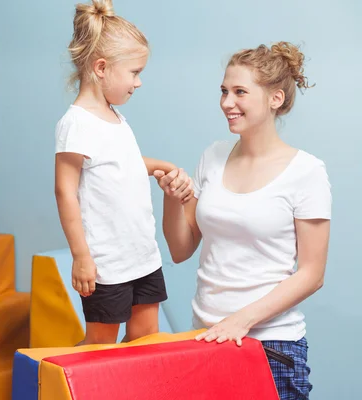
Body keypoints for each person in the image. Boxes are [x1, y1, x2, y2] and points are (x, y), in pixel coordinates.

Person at [154, 42, 331, 399]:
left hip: (270, 347)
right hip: (205, 337)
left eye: (239, 92)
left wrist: (242, 320)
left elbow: (312, 275)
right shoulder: (214, 156)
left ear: (275, 99)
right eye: (223, 91)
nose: (226, 103)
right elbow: (180, 249)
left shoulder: (307, 172)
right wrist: (172, 200)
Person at [54, 0, 193, 345]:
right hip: (107, 266)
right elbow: (65, 191)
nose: (139, 82)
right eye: (134, 72)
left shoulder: (115, 117)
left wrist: (160, 166)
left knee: (145, 341)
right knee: (100, 349)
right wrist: (81, 256)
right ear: (101, 68)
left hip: (143, 257)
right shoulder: (76, 124)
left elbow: (120, 164)